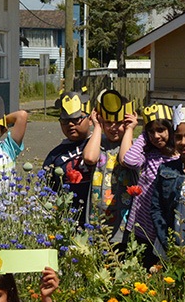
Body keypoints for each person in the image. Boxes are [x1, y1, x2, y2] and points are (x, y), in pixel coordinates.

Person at [120, 103, 178, 268]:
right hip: (140, 224)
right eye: (151, 131)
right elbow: (129, 160)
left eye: (161, 130)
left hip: (161, 227)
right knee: (138, 265)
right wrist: (143, 136)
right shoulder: (149, 155)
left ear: (171, 129)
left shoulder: (176, 158)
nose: (156, 136)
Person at [82, 89, 138, 245]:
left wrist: (129, 130)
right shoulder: (98, 142)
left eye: (119, 123)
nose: (113, 127)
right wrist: (98, 128)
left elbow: (126, 159)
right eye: (108, 122)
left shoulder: (132, 145)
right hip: (96, 221)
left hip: (121, 224)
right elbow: (89, 157)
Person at [151, 105, 185, 254]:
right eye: (178, 137)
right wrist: (167, 242)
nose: (183, 142)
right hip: (169, 245)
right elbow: (156, 208)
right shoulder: (166, 170)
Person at [43, 89, 92, 225]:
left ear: (90, 120)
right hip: (68, 220)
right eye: (65, 121)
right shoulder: (55, 156)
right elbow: (47, 190)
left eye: (76, 119)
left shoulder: (99, 145)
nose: (70, 124)